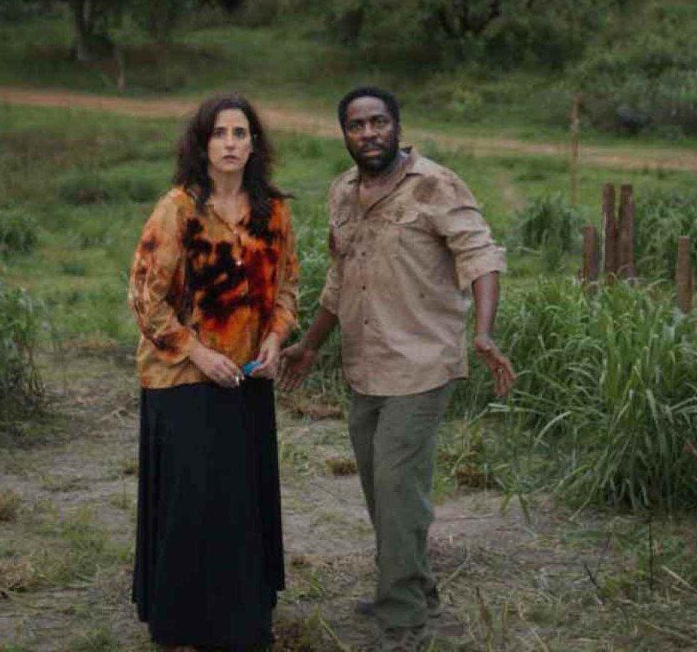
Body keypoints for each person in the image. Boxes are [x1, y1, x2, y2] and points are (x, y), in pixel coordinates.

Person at [280, 86, 515, 651]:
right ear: (345, 134)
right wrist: (310, 345)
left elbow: (481, 257)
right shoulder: (342, 192)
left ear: (397, 126)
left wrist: (484, 332)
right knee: (380, 490)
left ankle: (403, 618)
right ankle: (414, 587)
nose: (369, 133)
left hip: (422, 365)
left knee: (397, 488)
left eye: (378, 122)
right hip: (365, 365)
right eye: (357, 125)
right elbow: (339, 280)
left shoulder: (436, 185)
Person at [129, 94, 298, 651]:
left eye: (240, 133)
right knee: (194, 501)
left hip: (248, 378)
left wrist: (276, 338)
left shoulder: (274, 211)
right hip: (183, 381)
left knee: (240, 501)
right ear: (201, 144)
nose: (230, 143)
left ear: (254, 144)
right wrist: (199, 354)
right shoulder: (178, 209)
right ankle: (184, 624)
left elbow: (288, 287)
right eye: (219, 133)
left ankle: (242, 618)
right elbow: (145, 299)